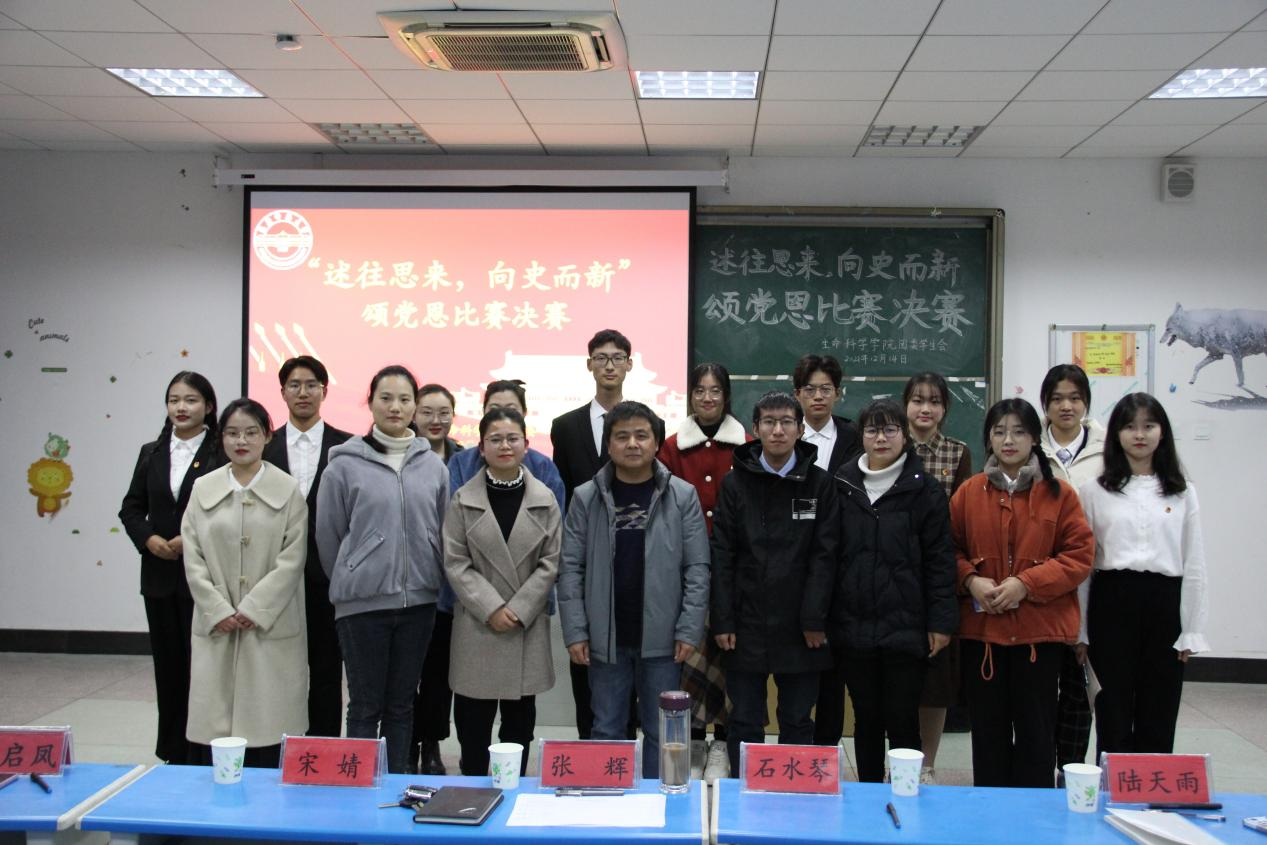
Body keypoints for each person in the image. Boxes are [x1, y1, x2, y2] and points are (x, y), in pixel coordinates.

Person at [558, 401, 709, 777]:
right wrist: (576, 631)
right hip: (605, 639)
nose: (632, 444)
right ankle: (610, 801)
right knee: (606, 728)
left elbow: (697, 568)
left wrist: (689, 629)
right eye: (622, 436)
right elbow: (570, 568)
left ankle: (664, 803)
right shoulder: (586, 497)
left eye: (642, 435)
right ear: (608, 444)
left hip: (664, 640)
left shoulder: (682, 496)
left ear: (656, 442)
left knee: (664, 732)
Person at [950, 398, 1093, 788]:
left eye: (1018, 432)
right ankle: (991, 811)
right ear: (989, 439)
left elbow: (1079, 556)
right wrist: (971, 580)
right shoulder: (968, 493)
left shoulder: (1060, 494)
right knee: (988, 735)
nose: (1008, 440)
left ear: (1034, 438)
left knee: (1036, 733)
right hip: (984, 636)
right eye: (999, 432)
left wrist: (1026, 585)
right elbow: (948, 549)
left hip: (1039, 635)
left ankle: (1035, 813)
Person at [316, 365, 449, 773]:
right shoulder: (343, 466)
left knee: (401, 704)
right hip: (362, 606)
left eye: (405, 399)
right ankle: (357, 785)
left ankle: (394, 784)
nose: (395, 407)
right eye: (386, 398)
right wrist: (355, 571)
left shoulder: (433, 466)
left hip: (418, 604)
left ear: (415, 406)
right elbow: (329, 536)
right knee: (365, 705)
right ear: (370, 402)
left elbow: (442, 528)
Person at [711, 391, 841, 774]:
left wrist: (814, 619)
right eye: (769, 422)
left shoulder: (820, 484)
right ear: (755, 429)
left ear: (800, 430)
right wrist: (723, 620)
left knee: (797, 720)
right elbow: (722, 555)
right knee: (745, 720)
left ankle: (792, 796)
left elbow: (825, 556)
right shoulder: (734, 484)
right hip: (745, 623)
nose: (778, 430)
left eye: (786, 422)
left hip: (802, 627)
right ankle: (743, 795)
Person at [832, 399, 957, 783]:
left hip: (907, 626)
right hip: (854, 625)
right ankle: (869, 796)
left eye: (890, 429)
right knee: (866, 718)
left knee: (903, 719)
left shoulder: (925, 490)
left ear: (904, 436)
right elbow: (829, 555)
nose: (881, 438)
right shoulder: (842, 485)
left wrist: (941, 623)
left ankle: (906, 793)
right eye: (872, 430)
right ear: (862, 436)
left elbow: (940, 561)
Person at [1078, 393, 1208, 757]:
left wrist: (1191, 628)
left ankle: (1154, 786)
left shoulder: (1183, 492)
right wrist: (1080, 630)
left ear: (1162, 433)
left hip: (1164, 603)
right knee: (1112, 706)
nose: (1139, 435)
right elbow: (1084, 567)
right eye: (1130, 427)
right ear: (1115, 434)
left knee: (1160, 705)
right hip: (1111, 600)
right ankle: (1114, 785)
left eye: (1148, 426)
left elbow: (1194, 563)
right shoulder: (1094, 491)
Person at [182, 398, 309, 767]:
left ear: (267, 436)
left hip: (270, 623)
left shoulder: (287, 489)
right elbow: (193, 556)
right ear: (221, 438)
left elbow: (292, 559)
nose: (242, 441)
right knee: (215, 719)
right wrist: (216, 608)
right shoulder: (203, 488)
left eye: (251, 432)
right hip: (217, 622)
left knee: (269, 721)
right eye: (232, 433)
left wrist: (255, 607)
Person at [551, 329, 663, 739]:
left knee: (641, 693)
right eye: (601, 357)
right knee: (591, 685)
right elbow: (565, 494)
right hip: (590, 562)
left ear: (630, 364)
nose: (609, 365)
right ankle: (594, 756)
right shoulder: (565, 426)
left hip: (638, 567)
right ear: (589, 365)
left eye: (618, 357)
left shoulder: (652, 423)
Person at [444, 408, 560, 777]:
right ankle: (473, 791)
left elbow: (551, 562)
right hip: (478, 624)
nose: (505, 446)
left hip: (525, 624)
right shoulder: (463, 499)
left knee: (519, 726)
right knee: (473, 726)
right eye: (495, 439)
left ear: (526, 444)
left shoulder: (545, 500)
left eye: (512, 438)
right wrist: (491, 608)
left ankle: (512, 793)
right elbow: (455, 561)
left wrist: (519, 608)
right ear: (481, 447)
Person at [119, 371, 221, 765]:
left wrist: (188, 538)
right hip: (159, 577)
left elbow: (228, 510)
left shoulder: (220, 451)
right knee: (169, 667)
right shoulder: (152, 452)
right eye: (174, 400)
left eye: (191, 400)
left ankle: (203, 751)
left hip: (205, 578)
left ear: (208, 407)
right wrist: (148, 539)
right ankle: (172, 752)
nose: (181, 407)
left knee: (203, 669)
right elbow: (131, 507)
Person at [657, 362, 748, 782]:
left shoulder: (748, 446)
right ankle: (692, 741)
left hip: (736, 573)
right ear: (690, 396)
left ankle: (723, 744)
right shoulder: (671, 448)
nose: (707, 398)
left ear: (726, 397)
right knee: (690, 657)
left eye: (715, 391)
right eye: (699, 391)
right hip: (684, 572)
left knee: (729, 658)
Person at [261, 356, 351, 740]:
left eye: (311, 385)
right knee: (276, 666)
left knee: (327, 668)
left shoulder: (347, 447)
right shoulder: (263, 446)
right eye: (294, 385)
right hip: (272, 576)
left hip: (326, 577)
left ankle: (324, 746)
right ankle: (278, 743)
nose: (303, 392)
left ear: (324, 392)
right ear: (282, 392)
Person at [902, 371, 972, 784]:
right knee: (895, 680)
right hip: (892, 575)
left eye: (934, 401)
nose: (925, 409)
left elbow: (961, 524)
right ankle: (898, 762)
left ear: (945, 408)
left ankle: (926, 765)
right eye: (917, 400)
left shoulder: (957, 452)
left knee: (935, 682)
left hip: (936, 577)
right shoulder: (886, 444)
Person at [1038, 364, 1106, 776]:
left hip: (1094, 582)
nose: (1066, 406)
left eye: (1075, 398)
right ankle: (1041, 768)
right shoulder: (1029, 447)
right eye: (1058, 398)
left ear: (1086, 403)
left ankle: (1073, 772)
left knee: (1082, 688)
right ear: (1045, 404)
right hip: (1041, 584)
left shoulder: (1108, 450)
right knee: (1043, 687)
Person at [791, 354, 860, 748]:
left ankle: (826, 751)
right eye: (810, 389)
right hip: (795, 565)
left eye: (826, 389)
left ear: (838, 393)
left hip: (844, 568)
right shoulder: (784, 435)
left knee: (833, 671)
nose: (818, 396)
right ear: (797, 394)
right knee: (798, 672)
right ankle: (796, 748)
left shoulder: (855, 438)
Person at [409, 383, 464, 775]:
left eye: (444, 412)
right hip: (408, 579)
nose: (435, 420)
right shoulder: (401, 455)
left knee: (438, 676)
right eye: (427, 412)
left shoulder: (463, 460)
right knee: (405, 674)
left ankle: (431, 745)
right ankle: (405, 744)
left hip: (449, 587)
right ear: (414, 414)